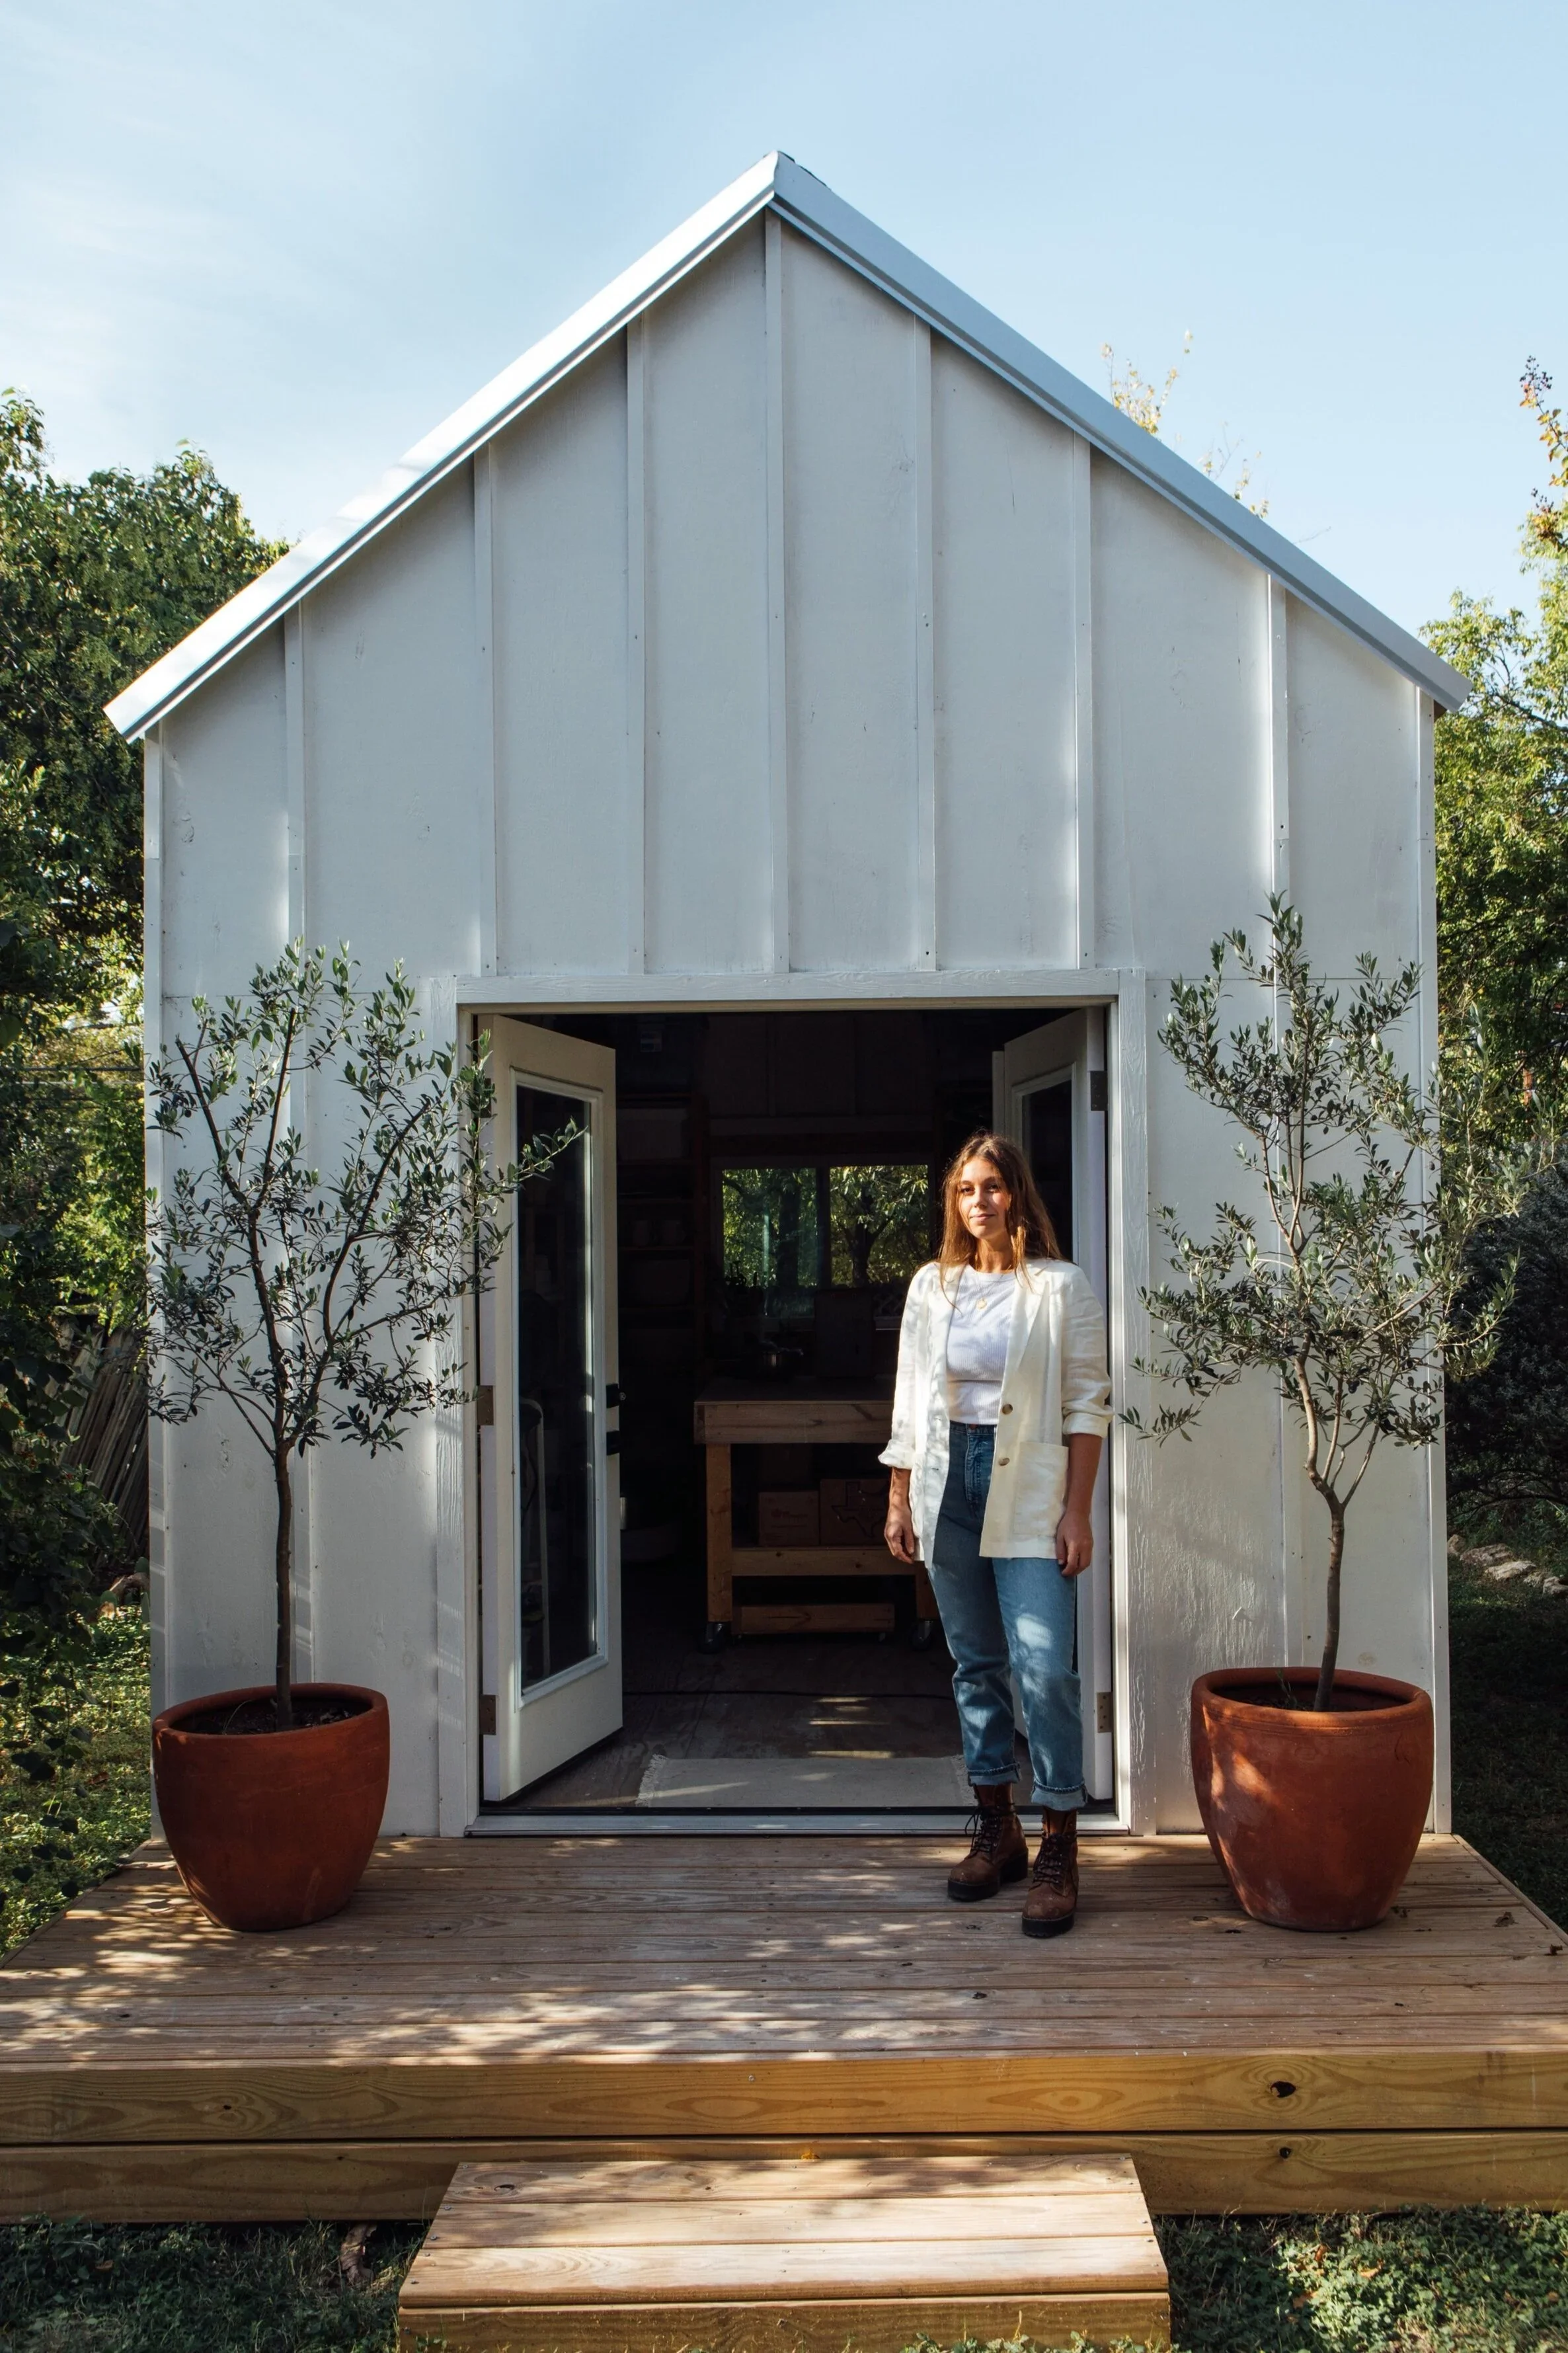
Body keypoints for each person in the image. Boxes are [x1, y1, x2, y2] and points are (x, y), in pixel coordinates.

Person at [881, 1133, 1111, 1936]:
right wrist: (898, 1497)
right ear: (954, 1202)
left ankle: (1057, 1839)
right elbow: (910, 1402)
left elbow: (1087, 1407)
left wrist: (1077, 1510)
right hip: (948, 1489)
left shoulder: (1058, 1287)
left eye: (992, 1187)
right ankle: (996, 1826)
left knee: (1044, 1667)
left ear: (1016, 1194)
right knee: (974, 1664)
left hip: (1031, 1494)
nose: (978, 1201)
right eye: (964, 1189)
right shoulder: (930, 1287)